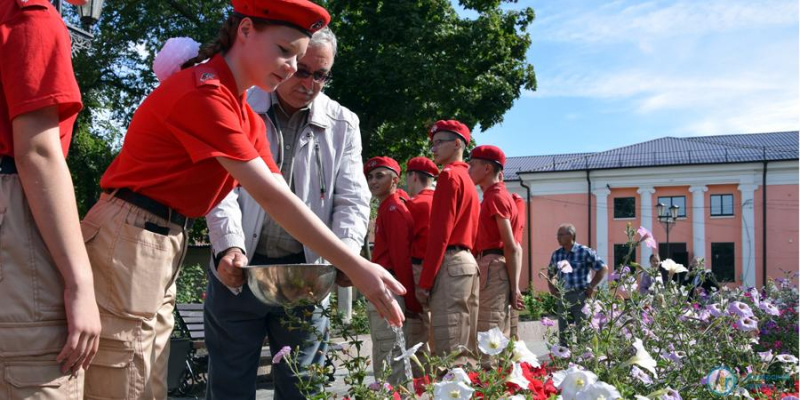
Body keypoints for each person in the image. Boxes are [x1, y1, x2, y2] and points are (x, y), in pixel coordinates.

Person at [79, 2, 405, 398]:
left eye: (303, 61)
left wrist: (351, 261)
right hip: (132, 234)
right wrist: (357, 266)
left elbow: (278, 192)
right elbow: (270, 197)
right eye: (286, 52)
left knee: (145, 380)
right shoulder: (208, 94)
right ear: (246, 30)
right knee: (124, 381)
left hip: (159, 238)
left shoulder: (240, 109)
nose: (291, 68)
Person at [203, 26, 371, 399]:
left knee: (303, 388)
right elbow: (219, 186)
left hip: (306, 279)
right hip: (239, 271)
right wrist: (228, 244)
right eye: (302, 70)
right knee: (229, 387)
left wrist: (345, 252)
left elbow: (353, 198)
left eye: (320, 74)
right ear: (287, 62)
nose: (309, 82)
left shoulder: (344, 123)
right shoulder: (239, 104)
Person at [0, 1, 102, 398]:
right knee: (44, 371)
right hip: (18, 215)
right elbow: (38, 153)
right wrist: (80, 284)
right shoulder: (32, 16)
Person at [416, 120, 480, 365]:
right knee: (466, 345)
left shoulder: (449, 176)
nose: (433, 149)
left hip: (451, 263)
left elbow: (440, 234)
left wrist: (425, 281)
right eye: (432, 144)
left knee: (450, 350)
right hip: (467, 263)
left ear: (457, 143)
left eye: (438, 143)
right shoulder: (468, 179)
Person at [364, 156, 417, 385]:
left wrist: (410, 300)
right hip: (387, 286)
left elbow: (400, 257)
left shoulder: (393, 208)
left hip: (390, 287)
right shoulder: (387, 207)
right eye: (370, 177)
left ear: (395, 180)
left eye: (379, 176)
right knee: (386, 351)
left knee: (390, 355)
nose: (373, 181)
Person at [467, 145, 523, 337]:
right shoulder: (496, 196)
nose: (469, 170)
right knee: (493, 330)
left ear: (487, 168)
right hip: (494, 266)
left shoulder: (495, 197)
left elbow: (511, 245)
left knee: (488, 332)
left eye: (472, 165)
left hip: (493, 267)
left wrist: (515, 289)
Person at [404, 156, 439, 370]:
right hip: (444, 269)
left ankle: (420, 376)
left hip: (418, 268)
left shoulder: (412, 205)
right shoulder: (442, 201)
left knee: (417, 325)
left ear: (413, 177)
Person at [547, 223, 607, 345]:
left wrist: (591, 286)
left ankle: (583, 361)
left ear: (570, 235)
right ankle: (565, 362)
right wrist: (552, 288)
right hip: (563, 298)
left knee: (583, 333)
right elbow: (550, 273)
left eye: (560, 235)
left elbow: (603, 268)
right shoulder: (557, 254)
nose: (557, 238)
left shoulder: (585, 252)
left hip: (581, 297)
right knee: (564, 334)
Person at [509, 192, 526, 339]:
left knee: (511, 330)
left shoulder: (515, 200)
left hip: (502, 267)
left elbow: (516, 246)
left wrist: (515, 287)